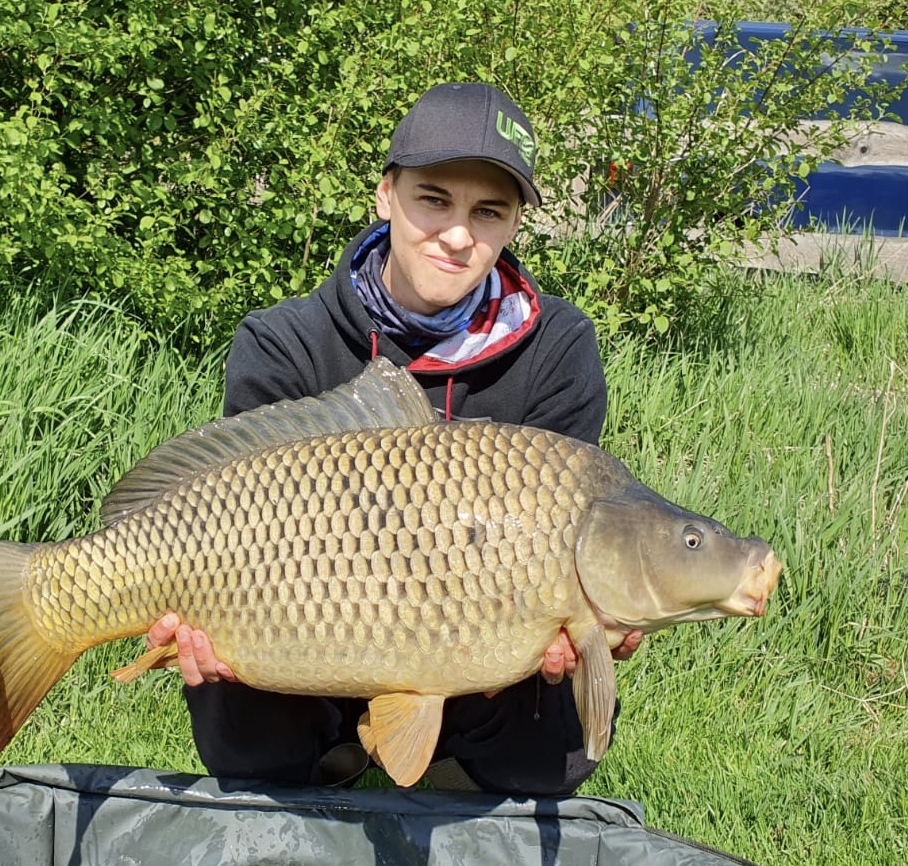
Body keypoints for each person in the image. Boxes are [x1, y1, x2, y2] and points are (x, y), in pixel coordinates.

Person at [147, 82, 643, 795]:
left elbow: (570, 540)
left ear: (512, 227)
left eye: (489, 212)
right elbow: (230, 502)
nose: (458, 234)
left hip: (477, 642)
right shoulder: (284, 342)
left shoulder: (558, 348)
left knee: (548, 738)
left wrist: (597, 621)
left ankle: (451, 767)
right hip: (302, 629)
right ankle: (327, 761)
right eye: (433, 200)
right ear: (386, 194)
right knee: (238, 703)